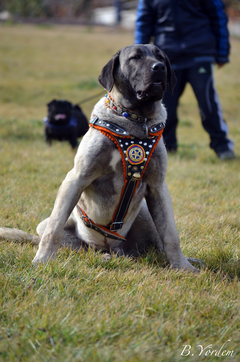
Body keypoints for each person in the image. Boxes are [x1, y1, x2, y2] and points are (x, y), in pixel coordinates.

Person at [135, 0, 235, 159]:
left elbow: (219, 17)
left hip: (200, 52)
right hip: (166, 56)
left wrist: (222, 51)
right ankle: (166, 147)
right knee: (164, 105)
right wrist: (139, 59)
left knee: (208, 104)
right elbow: (144, 22)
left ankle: (222, 146)